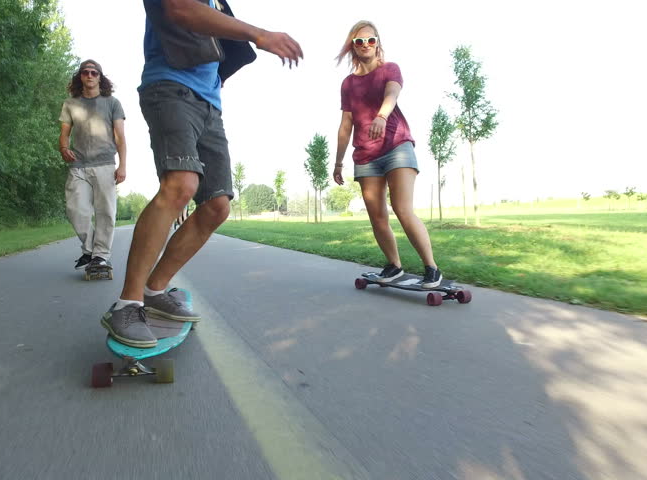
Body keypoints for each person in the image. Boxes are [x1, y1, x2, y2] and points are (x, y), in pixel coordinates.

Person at [100, 0, 303, 348]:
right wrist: (259, 34)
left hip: (209, 104)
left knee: (217, 205)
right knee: (180, 184)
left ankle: (155, 289)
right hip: (170, 88)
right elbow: (179, 9)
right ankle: (127, 305)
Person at [333, 20, 443, 288]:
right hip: (365, 156)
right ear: (353, 47)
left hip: (396, 146)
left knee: (402, 208)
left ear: (377, 43)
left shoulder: (389, 70)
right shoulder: (348, 84)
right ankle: (394, 266)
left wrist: (381, 115)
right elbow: (346, 124)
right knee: (377, 216)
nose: (366, 45)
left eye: (371, 40)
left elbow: (392, 92)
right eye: (359, 42)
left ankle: (432, 268)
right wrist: (337, 162)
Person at [58, 59, 127, 273]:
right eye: (86, 72)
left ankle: (101, 256)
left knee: (105, 211)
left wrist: (122, 165)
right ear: (80, 76)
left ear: (100, 77)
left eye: (94, 73)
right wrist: (63, 148)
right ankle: (90, 249)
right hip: (78, 164)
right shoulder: (71, 104)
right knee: (75, 208)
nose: (89, 76)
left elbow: (120, 136)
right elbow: (64, 134)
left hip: (105, 163)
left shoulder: (112, 103)